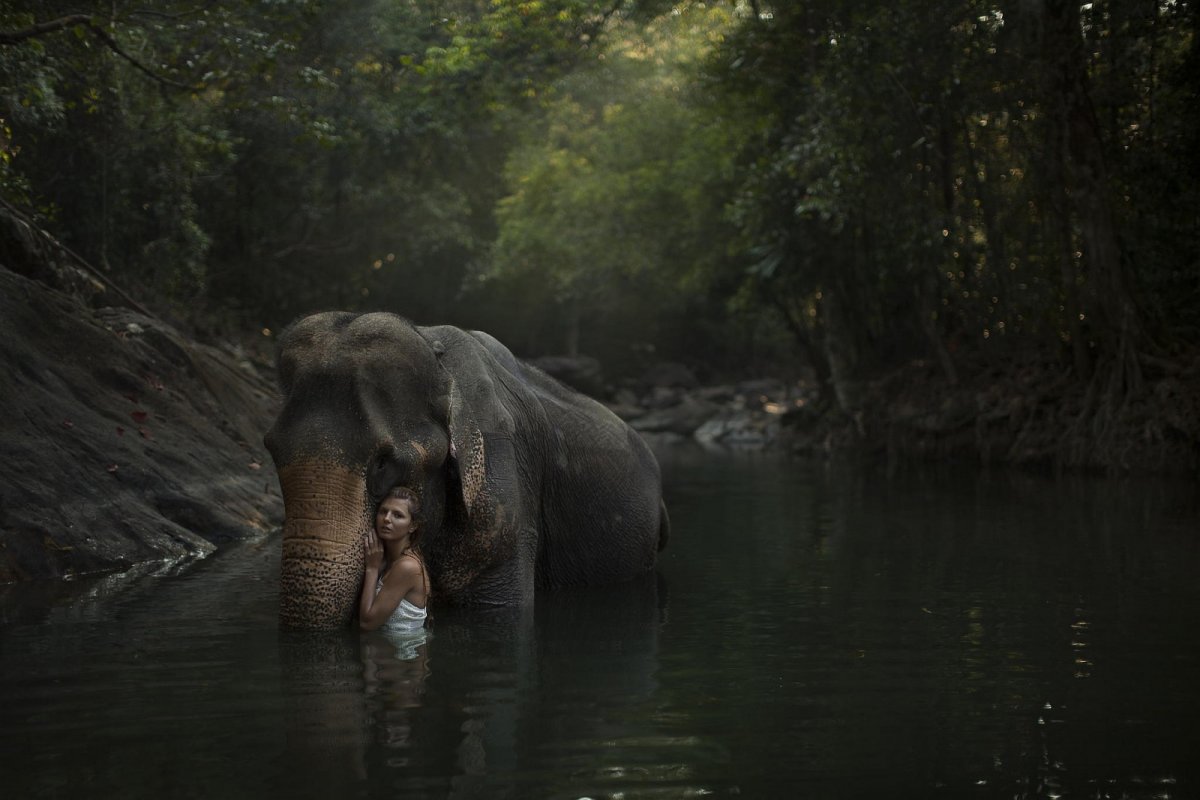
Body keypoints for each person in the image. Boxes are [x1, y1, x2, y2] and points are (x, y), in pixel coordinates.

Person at [358, 486, 430, 634]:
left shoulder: (407, 567)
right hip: (385, 651)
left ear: (413, 526)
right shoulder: (393, 559)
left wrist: (372, 568)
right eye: (383, 511)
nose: (386, 519)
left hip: (402, 654)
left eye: (398, 515)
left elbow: (367, 623)